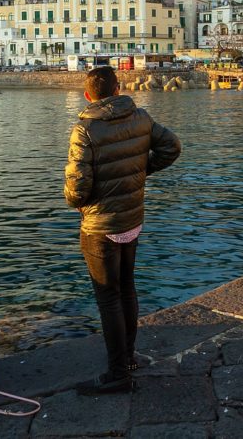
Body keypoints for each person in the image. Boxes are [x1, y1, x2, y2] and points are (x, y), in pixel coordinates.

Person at [64, 67, 181, 395]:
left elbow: (76, 187)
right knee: (127, 288)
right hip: (132, 220)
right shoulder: (140, 117)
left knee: (109, 297)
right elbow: (172, 147)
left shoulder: (85, 129)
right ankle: (128, 359)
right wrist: (140, 172)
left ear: (88, 95)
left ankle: (118, 373)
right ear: (118, 88)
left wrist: (80, 203)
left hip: (100, 225)